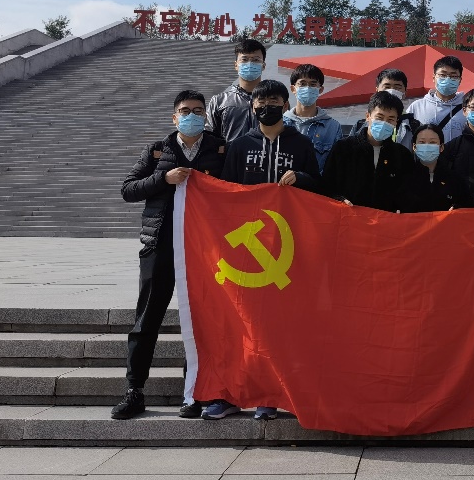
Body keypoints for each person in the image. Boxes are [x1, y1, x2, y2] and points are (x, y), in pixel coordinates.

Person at [209, 79, 320, 422]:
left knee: (278, 325)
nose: (267, 107)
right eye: (261, 102)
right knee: (240, 324)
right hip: (246, 250)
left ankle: (270, 396)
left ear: (286, 105)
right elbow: (226, 192)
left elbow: (319, 188)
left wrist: (301, 178)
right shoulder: (240, 145)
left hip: (287, 248)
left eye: (274, 101)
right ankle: (229, 394)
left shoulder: (301, 145)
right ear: (252, 107)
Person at [112, 90, 227, 421]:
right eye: (185, 111)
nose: (192, 116)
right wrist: (163, 178)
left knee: (200, 322)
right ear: (174, 117)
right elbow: (128, 189)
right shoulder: (157, 149)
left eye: (198, 111)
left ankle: (194, 392)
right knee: (147, 319)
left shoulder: (220, 149)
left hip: (204, 249)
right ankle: (134, 391)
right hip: (159, 245)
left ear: (206, 116)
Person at [321, 91, 416, 212]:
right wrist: (339, 199)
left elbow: (408, 192)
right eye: (379, 117)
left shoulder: (402, 155)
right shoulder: (343, 148)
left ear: (396, 122)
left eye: (390, 119)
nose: (384, 123)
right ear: (368, 116)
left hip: (386, 221)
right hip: (348, 218)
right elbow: (327, 186)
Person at [282, 63, 342, 170]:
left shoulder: (332, 127)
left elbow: (337, 165)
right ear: (293, 88)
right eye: (302, 84)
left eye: (313, 84)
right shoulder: (281, 123)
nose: (307, 88)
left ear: (320, 89)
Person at [205, 38, 267, 142]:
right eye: (244, 59)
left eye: (256, 60)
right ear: (236, 65)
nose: (250, 64)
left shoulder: (275, 101)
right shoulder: (219, 101)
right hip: (231, 153)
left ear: (263, 66)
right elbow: (208, 137)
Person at [403, 124, 471, 212]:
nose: (427, 146)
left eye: (432, 142)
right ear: (414, 147)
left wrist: (457, 209)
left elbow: (467, 207)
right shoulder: (404, 178)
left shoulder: (455, 180)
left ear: (441, 147)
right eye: (422, 142)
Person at [405, 55, 467, 135]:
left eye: (453, 76)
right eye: (442, 75)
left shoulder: (468, 108)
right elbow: (407, 136)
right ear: (434, 78)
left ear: (460, 80)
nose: (447, 79)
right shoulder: (417, 107)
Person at [351, 68, 413, 145]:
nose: (392, 91)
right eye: (387, 87)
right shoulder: (360, 126)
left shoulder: (412, 126)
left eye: (397, 87)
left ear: (405, 93)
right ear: (377, 90)